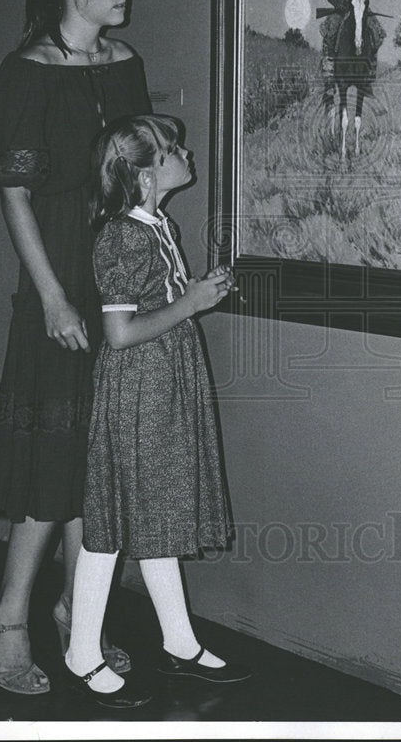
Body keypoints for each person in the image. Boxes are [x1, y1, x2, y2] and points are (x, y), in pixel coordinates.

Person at [0, 0, 152, 695]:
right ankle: (7, 619)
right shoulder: (26, 73)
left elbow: (137, 171)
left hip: (115, 278)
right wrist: (50, 297)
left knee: (99, 457)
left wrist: (146, 273)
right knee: (54, 457)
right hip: (58, 283)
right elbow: (14, 194)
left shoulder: (125, 64)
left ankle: (77, 617)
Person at [62, 114, 248, 708]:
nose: (186, 154)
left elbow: (155, 303)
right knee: (114, 517)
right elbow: (119, 334)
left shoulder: (157, 224)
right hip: (138, 389)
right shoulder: (123, 236)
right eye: (173, 150)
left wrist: (194, 293)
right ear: (144, 175)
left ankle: (179, 643)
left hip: (165, 381)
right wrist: (191, 303)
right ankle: (81, 653)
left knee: (156, 509)